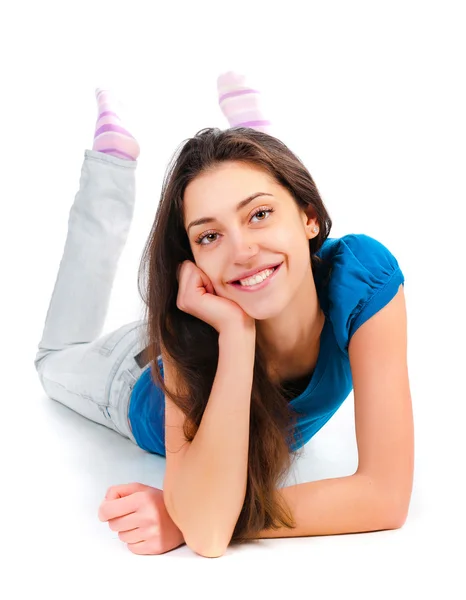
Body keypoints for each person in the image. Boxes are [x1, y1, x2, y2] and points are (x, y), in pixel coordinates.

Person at [34, 72, 414, 558]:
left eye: (259, 214)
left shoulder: (362, 280)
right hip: (131, 373)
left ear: (310, 216)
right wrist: (235, 332)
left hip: (240, 291)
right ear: (192, 259)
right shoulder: (189, 333)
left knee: (254, 232)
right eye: (209, 235)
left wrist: (189, 513)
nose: (243, 251)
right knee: (53, 360)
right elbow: (209, 535)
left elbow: (384, 498)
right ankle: (110, 167)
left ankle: (250, 158)